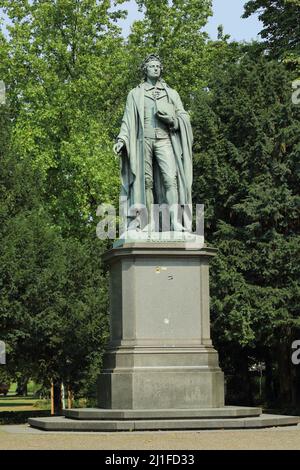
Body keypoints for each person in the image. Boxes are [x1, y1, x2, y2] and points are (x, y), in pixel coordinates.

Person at [113, 54, 193, 232]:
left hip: (165, 140)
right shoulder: (135, 94)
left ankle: (175, 222)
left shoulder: (171, 94)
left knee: (170, 179)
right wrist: (122, 140)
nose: (156, 68)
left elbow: (184, 116)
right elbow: (127, 120)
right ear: (145, 69)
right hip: (144, 142)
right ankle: (148, 222)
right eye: (152, 66)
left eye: (158, 66)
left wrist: (173, 121)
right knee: (146, 182)